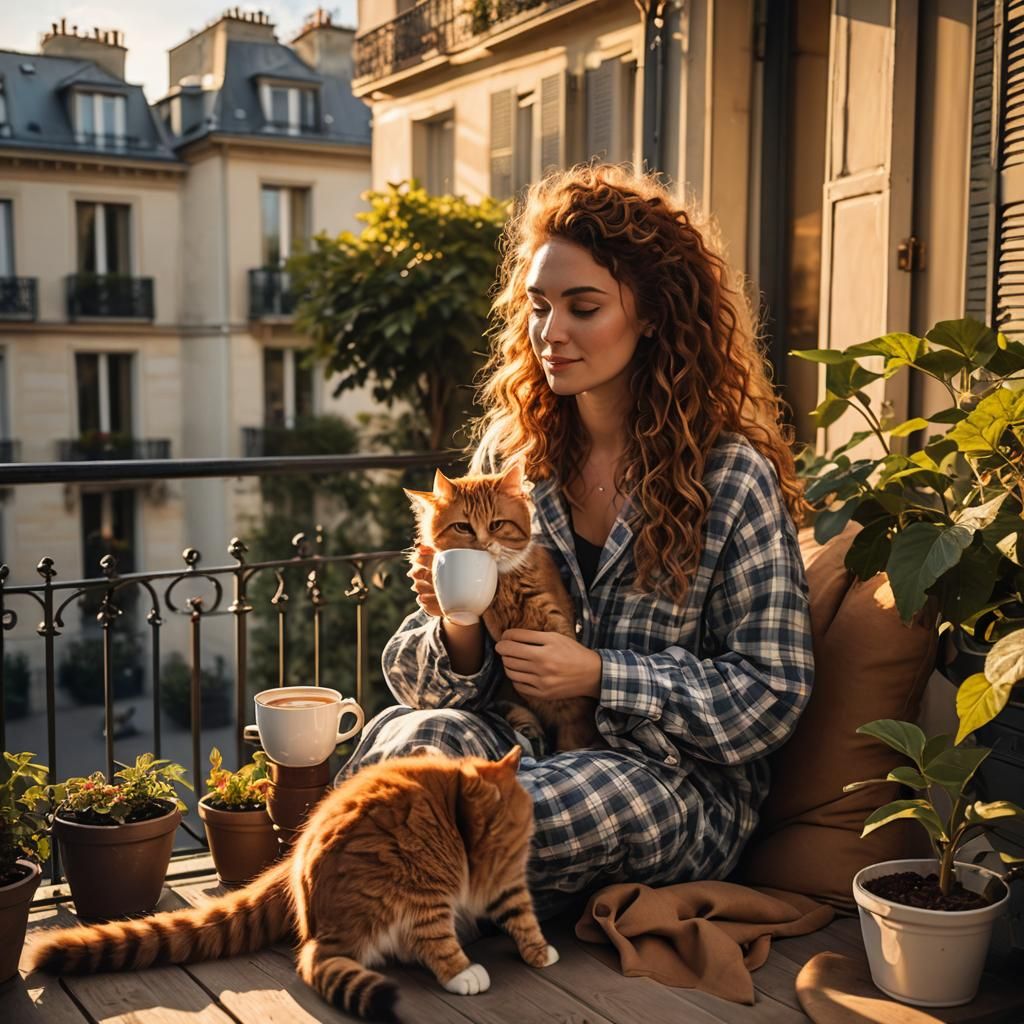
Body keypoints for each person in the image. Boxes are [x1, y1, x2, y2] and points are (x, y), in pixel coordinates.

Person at [338, 164, 814, 919]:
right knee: (412, 740)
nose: (550, 332)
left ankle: (391, 903)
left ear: (652, 314)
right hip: (517, 737)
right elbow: (418, 688)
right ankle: (427, 905)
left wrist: (600, 674)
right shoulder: (513, 456)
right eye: (537, 306)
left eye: (583, 307)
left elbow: (771, 694)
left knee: (499, 809)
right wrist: (458, 625)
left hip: (665, 779)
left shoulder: (729, 477)